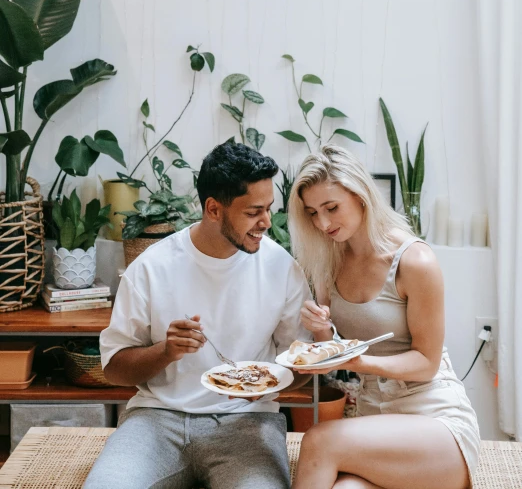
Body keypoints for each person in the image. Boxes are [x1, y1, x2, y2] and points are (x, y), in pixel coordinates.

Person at [84, 142, 311, 489]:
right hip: (156, 419)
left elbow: (299, 365)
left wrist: (273, 381)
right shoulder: (151, 267)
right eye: (253, 212)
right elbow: (114, 368)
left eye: (268, 208)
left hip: (247, 423)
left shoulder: (281, 268)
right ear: (213, 209)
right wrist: (166, 351)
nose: (266, 222)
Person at [288, 144, 480, 489]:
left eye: (332, 207)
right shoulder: (326, 264)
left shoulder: (414, 261)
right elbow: (332, 358)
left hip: (435, 420)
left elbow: (426, 362)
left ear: (360, 195)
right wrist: (321, 333)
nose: (323, 222)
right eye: (313, 212)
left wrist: (360, 362)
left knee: (318, 439)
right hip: (375, 417)